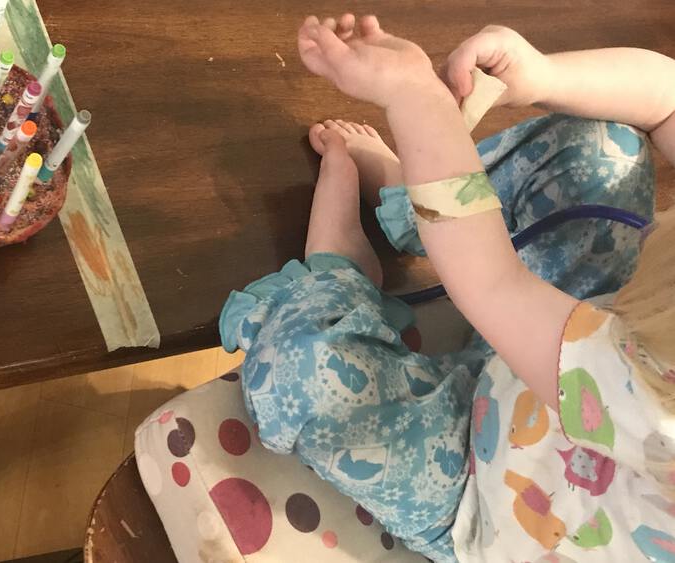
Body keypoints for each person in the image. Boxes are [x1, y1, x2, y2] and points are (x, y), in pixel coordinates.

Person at [220, 14, 675, 562]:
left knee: (300, 372)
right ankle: (415, 209)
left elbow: (491, 281)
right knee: (604, 150)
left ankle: (338, 277)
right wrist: (542, 75)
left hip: (477, 487)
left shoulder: (654, 405)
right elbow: (667, 103)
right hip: (566, 355)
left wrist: (416, 98)